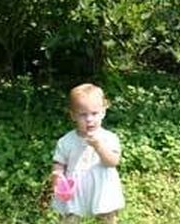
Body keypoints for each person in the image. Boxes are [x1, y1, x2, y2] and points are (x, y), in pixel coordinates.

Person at [51, 83, 125, 223]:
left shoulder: (109, 138)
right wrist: (57, 176)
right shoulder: (66, 141)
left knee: (108, 217)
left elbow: (113, 162)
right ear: (73, 115)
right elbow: (59, 163)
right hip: (74, 190)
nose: (89, 119)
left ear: (103, 112)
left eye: (94, 113)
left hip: (103, 188)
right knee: (69, 218)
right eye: (83, 115)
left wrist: (98, 146)